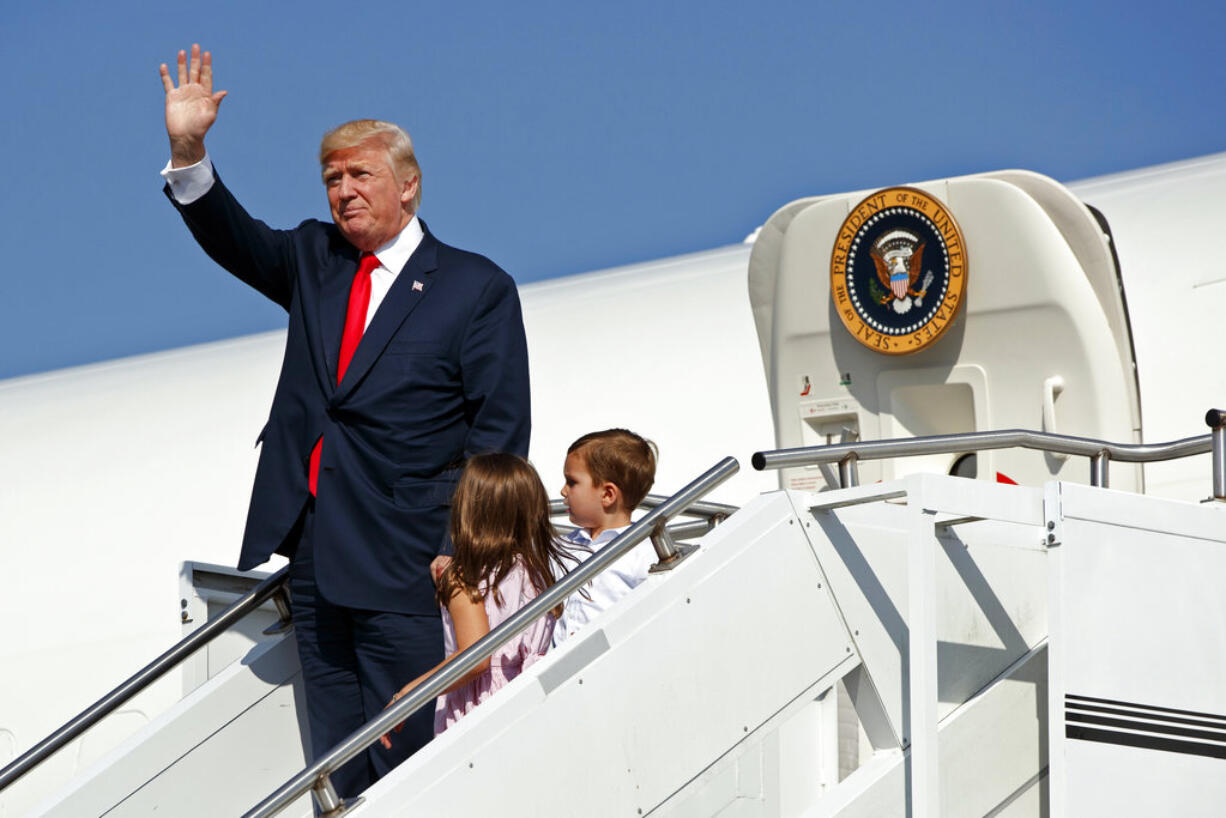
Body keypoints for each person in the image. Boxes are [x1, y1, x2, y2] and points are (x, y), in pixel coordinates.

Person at [158, 45, 531, 798]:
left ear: (409, 184)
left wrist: (459, 553)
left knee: (416, 748)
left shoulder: (474, 287)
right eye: (332, 179)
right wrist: (189, 151)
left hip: (412, 560)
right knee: (336, 761)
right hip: (319, 552)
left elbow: (499, 432)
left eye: (360, 175)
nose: (343, 191)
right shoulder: (315, 259)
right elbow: (233, 236)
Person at [381, 453, 568, 743]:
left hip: (480, 709)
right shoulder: (536, 570)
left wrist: (408, 694)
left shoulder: (463, 578)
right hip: (532, 696)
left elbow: (475, 658)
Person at [553, 429, 657, 646]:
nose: (563, 491)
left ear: (608, 495)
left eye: (571, 482)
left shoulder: (642, 554)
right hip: (556, 669)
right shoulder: (564, 545)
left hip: (609, 669)